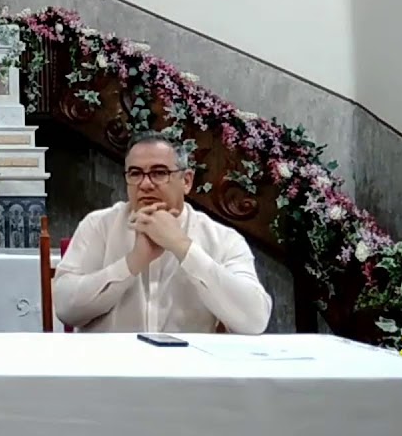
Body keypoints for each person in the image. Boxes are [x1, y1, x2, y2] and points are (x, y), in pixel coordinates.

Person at [53, 131, 271, 334]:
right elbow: (65, 309)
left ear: (186, 181)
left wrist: (182, 246)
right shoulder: (98, 225)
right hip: (113, 367)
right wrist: (132, 262)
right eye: (135, 173)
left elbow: (254, 320)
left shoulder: (222, 238)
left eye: (159, 173)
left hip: (187, 369)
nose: (145, 185)